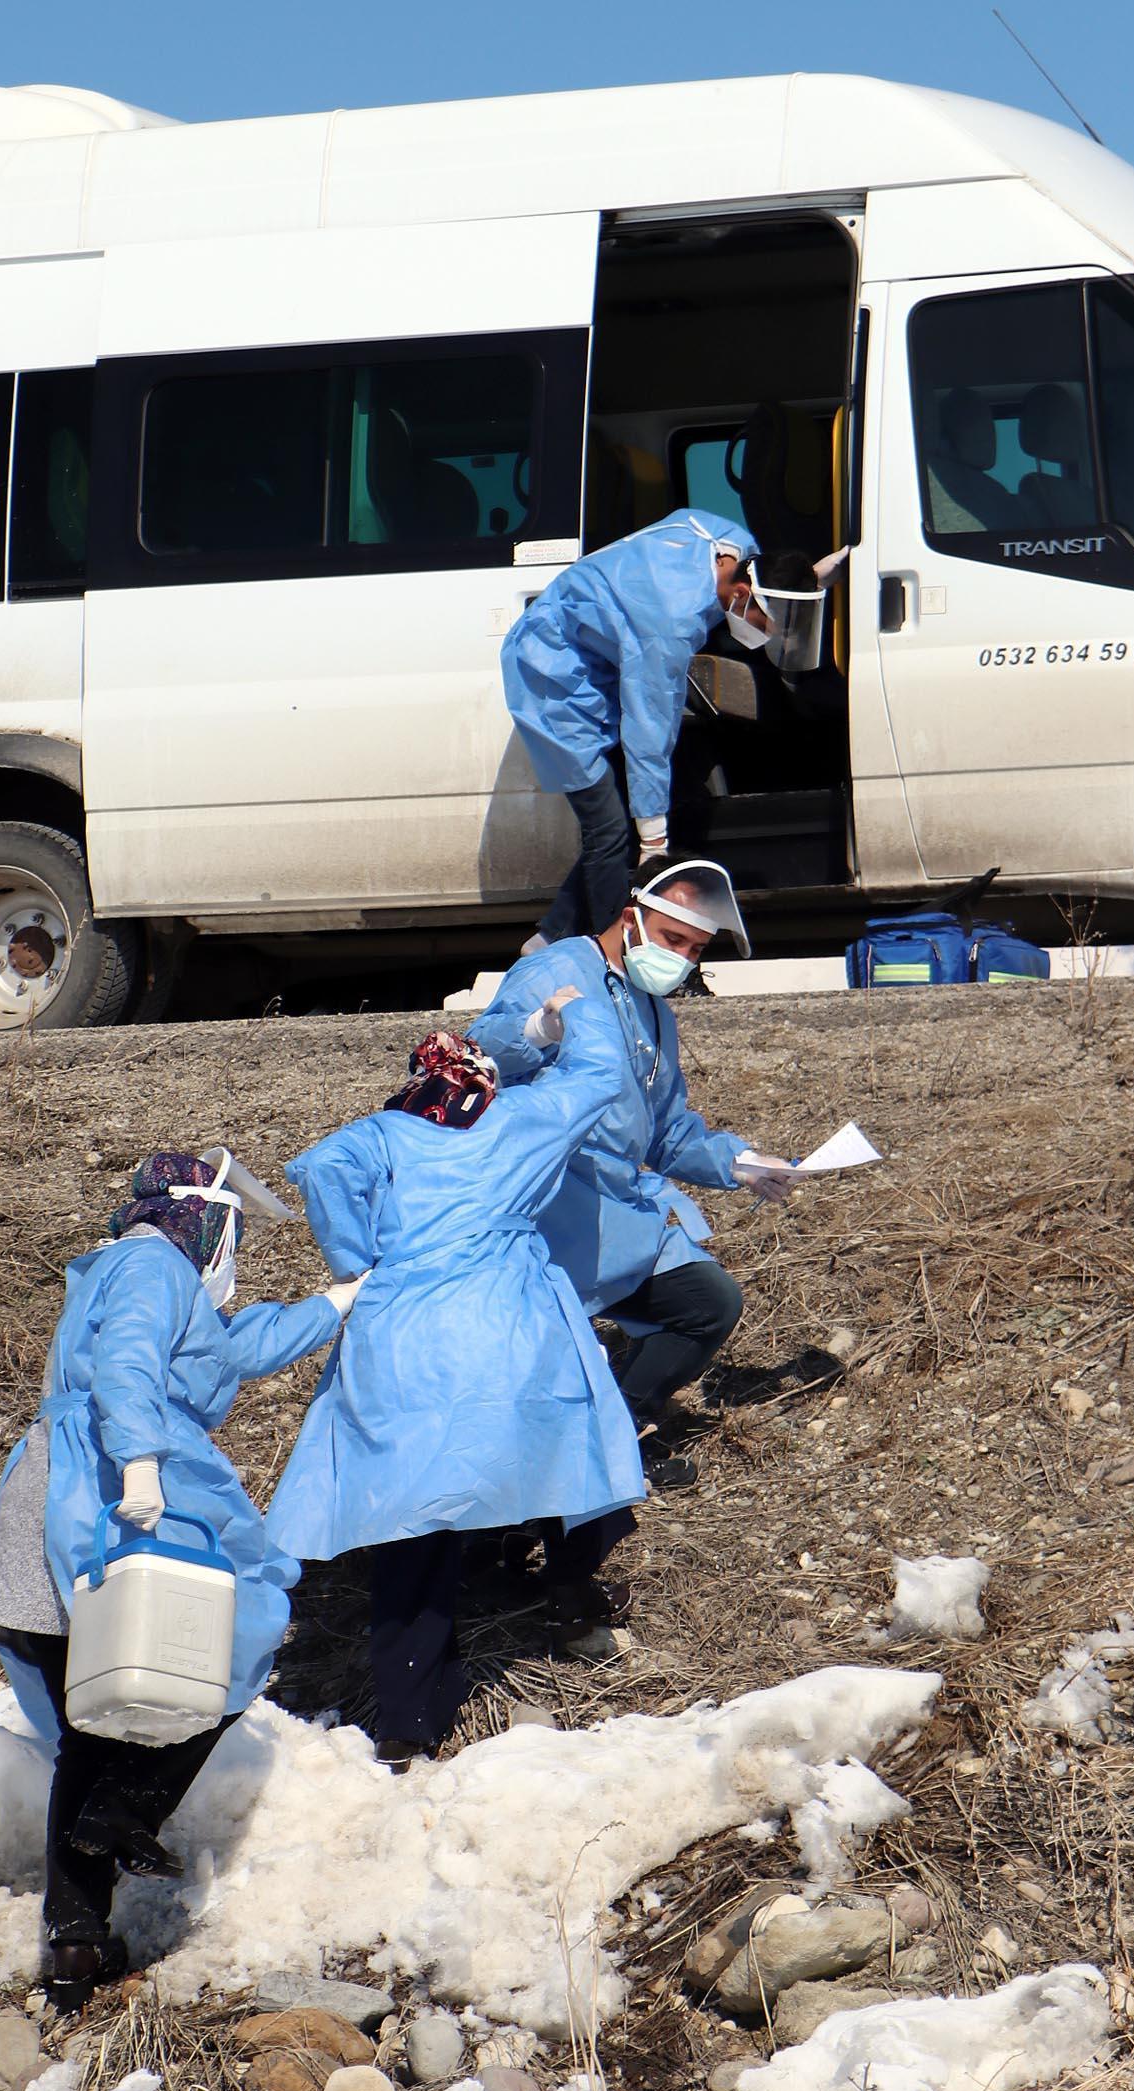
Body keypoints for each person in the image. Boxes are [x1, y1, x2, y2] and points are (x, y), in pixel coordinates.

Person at [0, 1148, 359, 2010]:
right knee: (231, 1635)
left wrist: (329, 1308)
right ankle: (129, 1812)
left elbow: (224, 1350)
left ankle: (74, 1942)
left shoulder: (140, 1266)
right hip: (109, 1482)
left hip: (69, 1479)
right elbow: (132, 1367)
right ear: (204, 1218)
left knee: (97, 1715)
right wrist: (142, 1462)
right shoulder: (152, 1261)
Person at [267, 1008, 645, 1768]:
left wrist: (355, 1261)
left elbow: (320, 1169)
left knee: (414, 1514)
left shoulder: (380, 1134)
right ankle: (570, 1592)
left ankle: (409, 1716)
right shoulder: (521, 1120)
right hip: (509, 1327)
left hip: (404, 1332)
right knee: (570, 1455)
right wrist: (562, 1024)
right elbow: (601, 1077)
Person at [469, 859, 804, 1486]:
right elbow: (479, 1053)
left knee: (708, 1304)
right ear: (631, 919)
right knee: (541, 1349)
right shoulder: (557, 970)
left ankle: (614, 1436)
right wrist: (539, 1028)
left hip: (616, 1200)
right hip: (545, 1199)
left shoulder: (655, 1010)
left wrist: (741, 1162)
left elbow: (667, 1129)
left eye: (695, 949)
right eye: (673, 940)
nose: (681, 958)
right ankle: (565, 1470)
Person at [502, 511, 821, 947]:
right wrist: (654, 839)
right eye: (767, 622)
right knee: (610, 829)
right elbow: (649, 734)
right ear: (743, 593)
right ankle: (613, 952)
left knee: (616, 825)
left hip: (597, 662)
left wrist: (809, 578)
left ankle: (549, 938)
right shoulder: (670, 624)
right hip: (552, 675)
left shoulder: (734, 543)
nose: (766, 635)